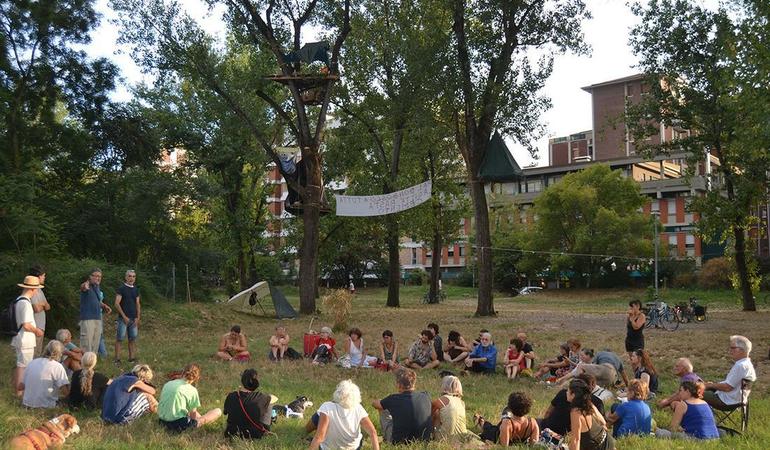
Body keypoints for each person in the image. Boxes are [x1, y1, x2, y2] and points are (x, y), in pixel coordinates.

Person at [308, 379, 380, 450]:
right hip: (353, 447)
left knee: (319, 415)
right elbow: (373, 432)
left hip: (328, 448)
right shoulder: (358, 408)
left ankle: (304, 431)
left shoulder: (327, 407)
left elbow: (319, 437)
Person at [372, 367, 432, 444]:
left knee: (382, 408)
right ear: (414, 383)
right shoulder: (426, 395)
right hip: (424, 440)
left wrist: (377, 401)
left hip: (399, 442)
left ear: (399, 385)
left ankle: (387, 439)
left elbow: (375, 404)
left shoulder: (393, 399)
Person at [158, 363, 222, 432]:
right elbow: (193, 415)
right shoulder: (192, 390)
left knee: (186, 408)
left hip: (162, 422)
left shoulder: (168, 384)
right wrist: (196, 421)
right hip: (178, 425)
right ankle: (203, 420)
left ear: (182, 373)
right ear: (196, 378)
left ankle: (201, 419)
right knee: (218, 411)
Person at [10, 275, 45, 397]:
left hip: (20, 337)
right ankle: (20, 393)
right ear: (33, 289)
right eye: (36, 289)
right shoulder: (25, 303)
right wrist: (37, 331)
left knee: (20, 364)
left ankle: (17, 389)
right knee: (23, 366)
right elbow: (26, 324)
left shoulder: (19, 300)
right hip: (25, 339)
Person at [539, 374, 606, 437]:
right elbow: (602, 424)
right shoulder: (596, 403)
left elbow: (548, 411)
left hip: (549, 429)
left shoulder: (574, 408)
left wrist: (544, 426)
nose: (567, 392)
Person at [703, 335, 756, 410]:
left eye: (733, 348)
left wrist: (710, 386)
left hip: (727, 401)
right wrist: (712, 385)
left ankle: (700, 419)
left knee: (693, 392)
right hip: (736, 400)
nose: (730, 351)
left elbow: (727, 387)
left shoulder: (741, 366)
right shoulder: (747, 364)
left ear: (742, 350)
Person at [223, 368, 277, 439]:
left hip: (232, 433)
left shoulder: (231, 396)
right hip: (254, 434)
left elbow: (225, 412)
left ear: (242, 381)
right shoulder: (260, 397)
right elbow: (274, 398)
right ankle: (266, 429)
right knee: (269, 403)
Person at [655, 381, 719, 439]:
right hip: (715, 438)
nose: (679, 394)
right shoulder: (704, 403)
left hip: (698, 439)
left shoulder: (683, 405)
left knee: (662, 433)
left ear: (687, 391)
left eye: (680, 391)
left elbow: (672, 428)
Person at [567, 379, 615, 450]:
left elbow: (576, 440)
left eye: (568, 391)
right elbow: (603, 422)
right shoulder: (588, 404)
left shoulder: (575, 412)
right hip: (606, 440)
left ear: (573, 395)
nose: (566, 392)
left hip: (597, 446)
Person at [21, 340, 70, 408]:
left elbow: (21, 386)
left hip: (27, 404)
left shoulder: (32, 362)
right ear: (59, 353)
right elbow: (65, 391)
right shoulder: (57, 366)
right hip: (46, 405)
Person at [79, 268, 112, 353]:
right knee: (86, 344)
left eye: (100, 276)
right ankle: (84, 364)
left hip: (97, 318)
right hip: (88, 319)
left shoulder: (96, 287)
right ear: (90, 276)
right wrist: (85, 286)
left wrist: (104, 306)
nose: (98, 278)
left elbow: (96, 301)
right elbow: (83, 287)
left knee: (95, 344)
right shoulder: (87, 284)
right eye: (96, 276)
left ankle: (91, 364)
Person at [114, 269, 141, 364]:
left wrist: (138, 317)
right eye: (129, 276)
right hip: (123, 319)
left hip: (134, 319)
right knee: (120, 338)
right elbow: (116, 304)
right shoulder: (121, 289)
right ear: (126, 277)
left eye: (133, 276)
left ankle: (131, 358)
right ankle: (117, 359)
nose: (131, 278)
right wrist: (124, 316)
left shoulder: (136, 289)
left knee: (132, 339)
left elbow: (138, 303)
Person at [28, 266, 51, 357]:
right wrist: (43, 304)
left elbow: (48, 306)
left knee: (38, 352)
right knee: (33, 353)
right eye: (43, 275)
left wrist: (41, 304)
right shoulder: (32, 290)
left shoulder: (40, 290)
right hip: (35, 327)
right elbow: (36, 309)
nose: (44, 277)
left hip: (41, 326)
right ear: (38, 276)